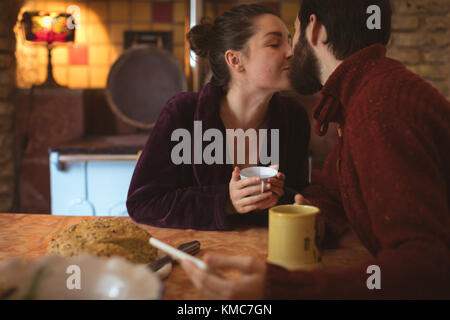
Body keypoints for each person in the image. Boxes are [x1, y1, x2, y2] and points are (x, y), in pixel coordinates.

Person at [181, 0, 450, 299]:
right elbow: (334, 187)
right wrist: (315, 216)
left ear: (316, 30)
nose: (291, 50)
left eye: (293, 33)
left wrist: (282, 289)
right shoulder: (367, 93)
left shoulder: (379, 108)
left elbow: (424, 269)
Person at [127, 4, 311, 230]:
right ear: (235, 60)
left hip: (267, 257)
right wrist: (225, 201)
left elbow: (299, 196)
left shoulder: (294, 118)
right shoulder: (182, 114)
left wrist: (282, 198)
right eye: (274, 43)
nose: (291, 51)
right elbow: (143, 203)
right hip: (195, 257)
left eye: (289, 41)